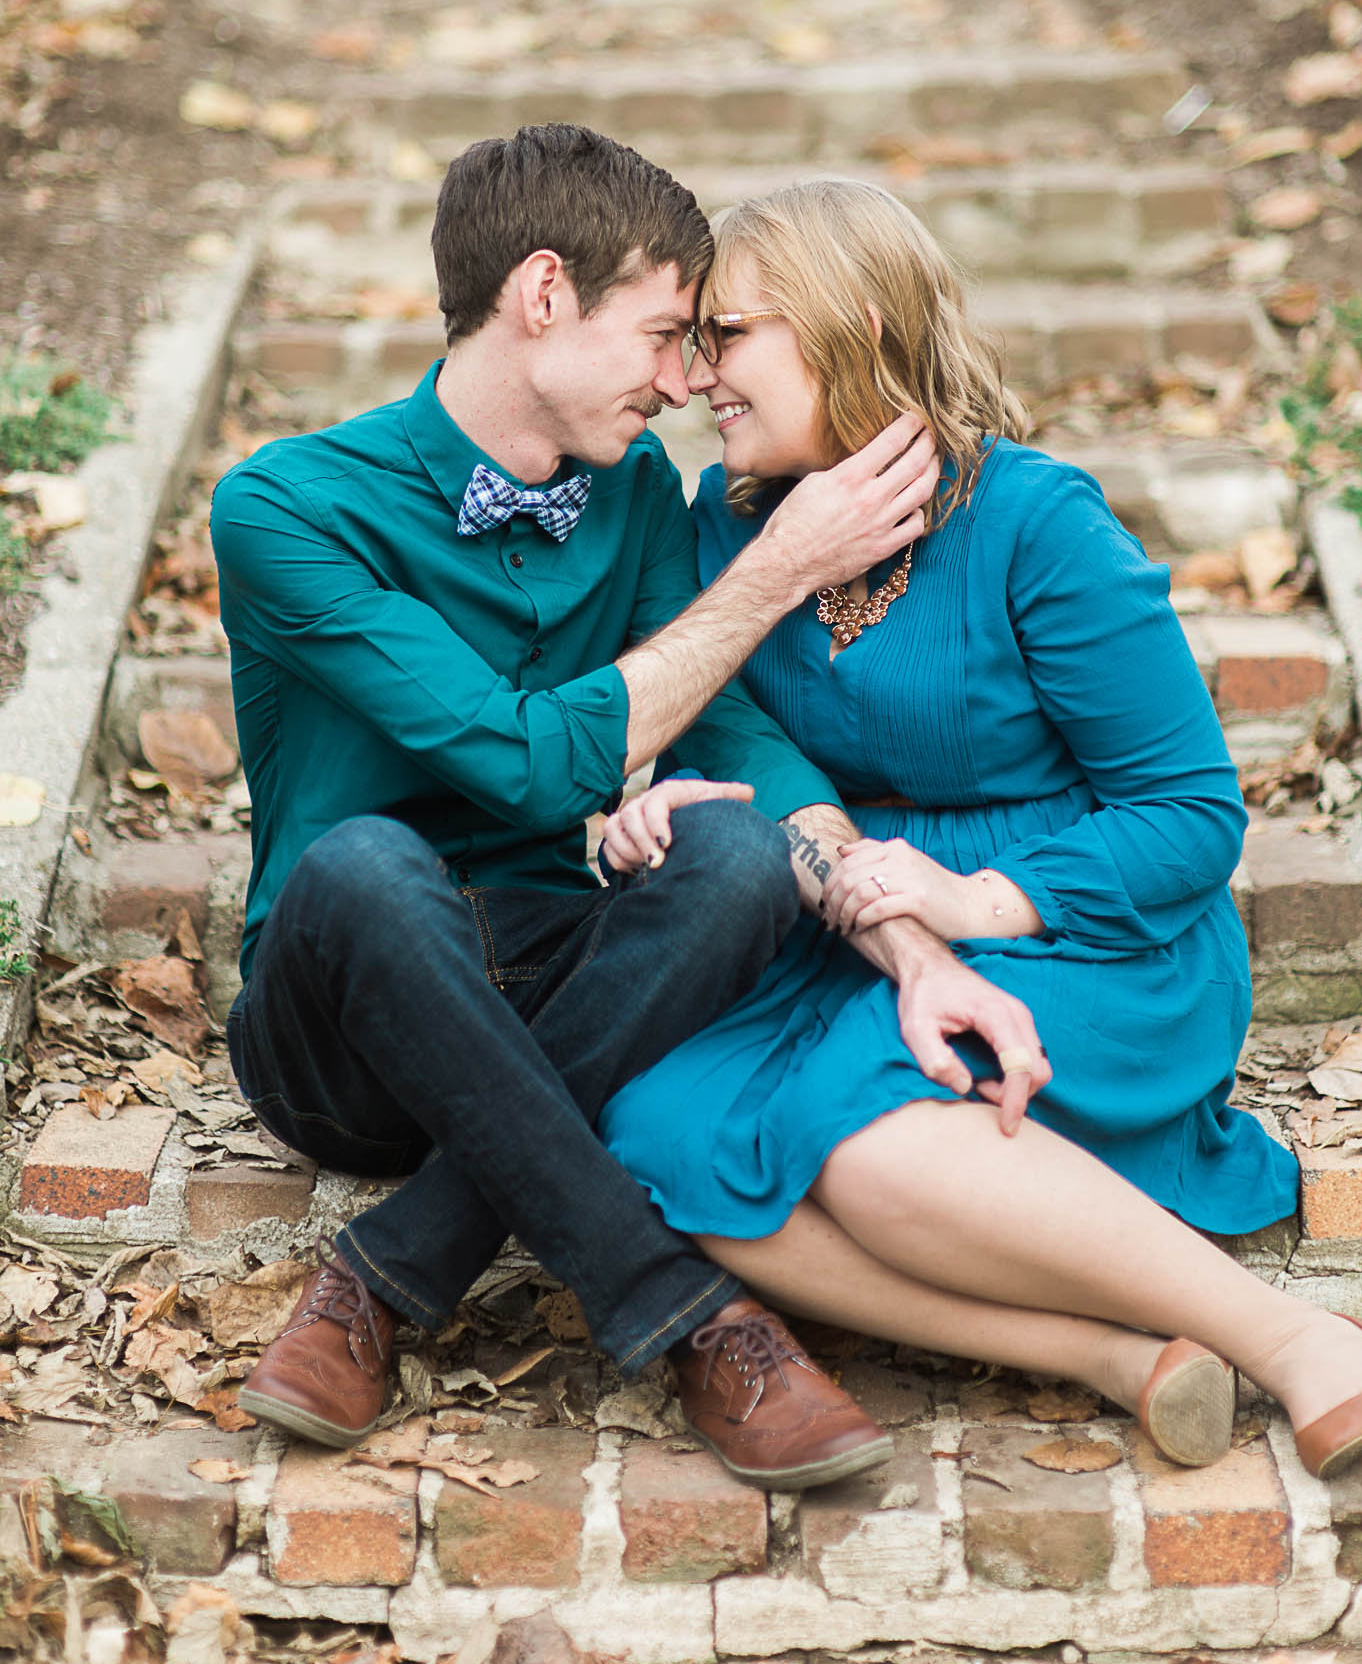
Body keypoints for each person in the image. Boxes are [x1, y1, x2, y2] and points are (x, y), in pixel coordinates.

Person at [599, 177, 1362, 1480]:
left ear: (851, 324)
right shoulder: (724, 538)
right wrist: (889, 908)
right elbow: (751, 764)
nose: (701, 374)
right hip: (853, 937)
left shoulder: (1036, 524)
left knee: (863, 1153)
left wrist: (975, 901)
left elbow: (1193, 816)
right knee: (654, 1139)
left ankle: (1292, 1342)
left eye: (731, 334)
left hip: (1089, 930)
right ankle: (1106, 1356)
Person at [209, 124, 965, 1491]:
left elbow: (727, 720)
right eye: (668, 334)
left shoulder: (626, 505)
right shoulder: (287, 505)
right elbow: (520, 764)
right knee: (370, 866)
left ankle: (384, 1275)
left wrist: (884, 913)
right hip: (342, 1027)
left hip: (565, 984)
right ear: (543, 294)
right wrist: (777, 572)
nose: (688, 384)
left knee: (739, 855)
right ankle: (690, 1318)